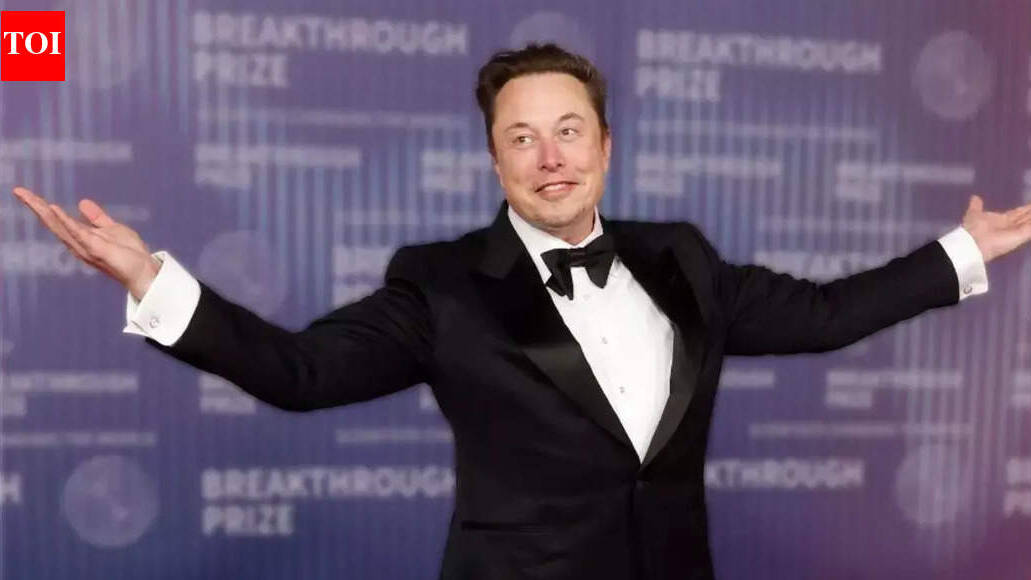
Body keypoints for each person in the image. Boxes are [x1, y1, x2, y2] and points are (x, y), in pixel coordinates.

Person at [12, 43, 1031, 580]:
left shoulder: (679, 256)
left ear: (605, 146)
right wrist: (154, 281)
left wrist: (959, 252)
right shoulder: (442, 283)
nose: (550, 158)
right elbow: (301, 374)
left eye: (569, 130)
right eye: (522, 138)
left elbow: (821, 314)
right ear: (494, 160)